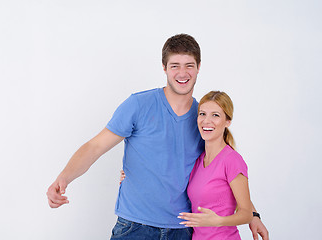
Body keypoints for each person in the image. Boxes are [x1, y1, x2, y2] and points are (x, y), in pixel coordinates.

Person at [46, 34, 269, 240]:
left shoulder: (203, 117)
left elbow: (224, 170)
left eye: (189, 65)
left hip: (181, 229)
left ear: (199, 67)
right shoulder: (138, 105)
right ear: (164, 67)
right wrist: (64, 178)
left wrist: (254, 214)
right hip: (134, 226)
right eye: (175, 66)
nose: (182, 73)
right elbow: (95, 146)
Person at [177, 91, 253, 239]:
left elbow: (246, 213)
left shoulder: (232, 160)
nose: (206, 121)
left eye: (215, 115)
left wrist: (218, 221)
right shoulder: (198, 160)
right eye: (202, 114)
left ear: (227, 122)